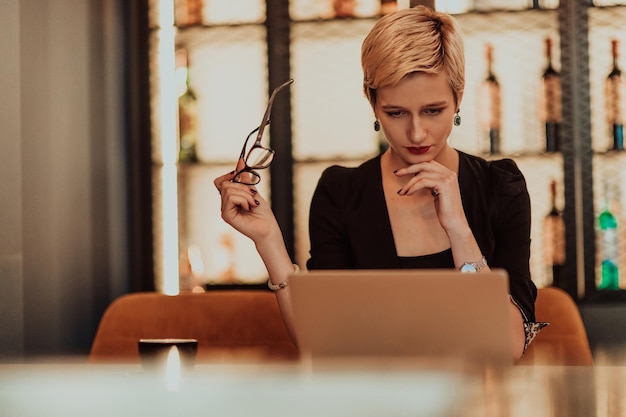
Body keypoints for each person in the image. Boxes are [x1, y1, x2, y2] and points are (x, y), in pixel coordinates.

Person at [214, 5, 544, 361]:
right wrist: (269, 241)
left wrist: (458, 228)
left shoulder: (501, 186)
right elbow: (323, 342)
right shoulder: (339, 193)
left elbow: (509, 346)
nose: (417, 133)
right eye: (396, 113)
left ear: (459, 98)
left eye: (433, 110)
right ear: (372, 102)